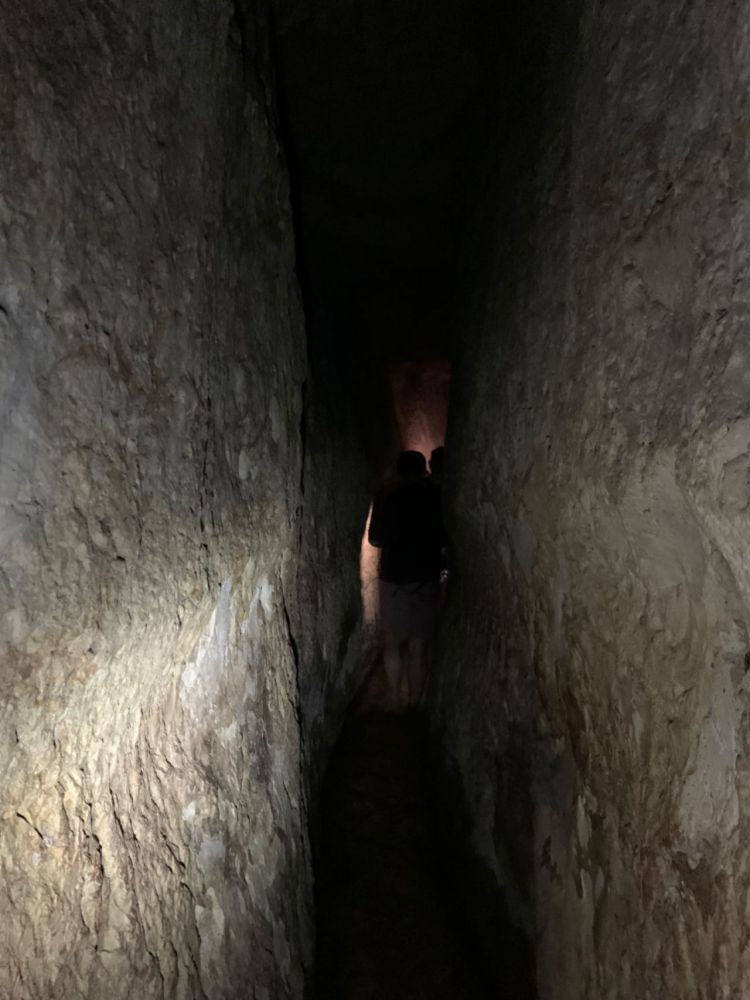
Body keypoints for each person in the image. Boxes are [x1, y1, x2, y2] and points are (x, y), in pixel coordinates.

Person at [368, 450, 446, 709]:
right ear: (424, 469)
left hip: (394, 578)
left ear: (398, 470)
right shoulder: (437, 494)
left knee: (392, 642)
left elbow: (375, 539)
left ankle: (394, 697)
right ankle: (414, 702)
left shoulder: (385, 495)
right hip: (426, 577)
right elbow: (446, 536)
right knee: (418, 646)